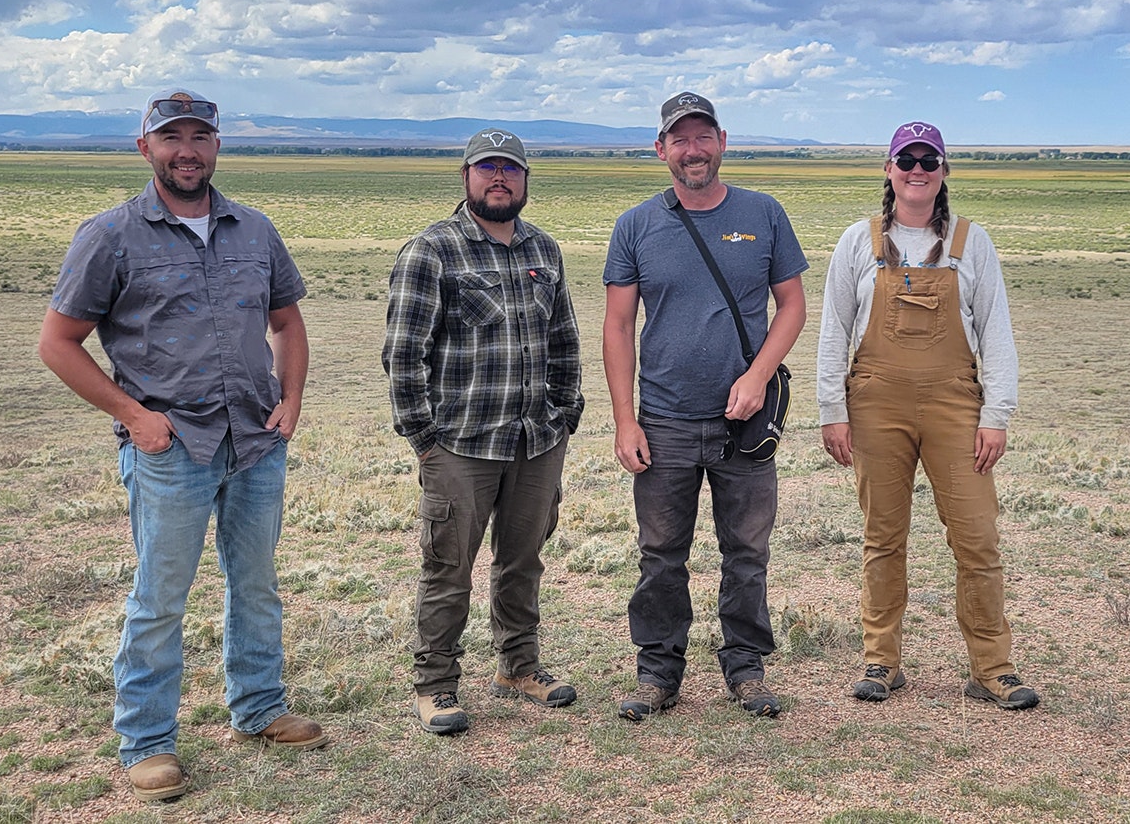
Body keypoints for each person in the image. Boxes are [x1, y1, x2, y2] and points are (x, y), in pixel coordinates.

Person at [38, 88, 326, 801]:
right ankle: (146, 741)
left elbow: (287, 324)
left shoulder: (254, 230)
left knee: (255, 584)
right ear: (146, 149)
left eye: (201, 136)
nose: (187, 150)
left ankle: (258, 708)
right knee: (160, 599)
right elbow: (58, 344)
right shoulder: (109, 235)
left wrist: (290, 400)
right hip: (171, 448)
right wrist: (134, 416)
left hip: (255, 441)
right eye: (172, 138)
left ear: (219, 146)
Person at [815, 121, 1039, 710]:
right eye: (906, 160)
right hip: (874, 404)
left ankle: (992, 667)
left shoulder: (974, 243)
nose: (918, 170)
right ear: (888, 171)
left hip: (955, 405)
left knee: (977, 538)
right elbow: (833, 331)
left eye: (929, 160)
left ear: (944, 173)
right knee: (883, 536)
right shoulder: (857, 242)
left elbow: (997, 332)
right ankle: (881, 661)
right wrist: (831, 410)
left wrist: (997, 414)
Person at [603, 92, 808, 721]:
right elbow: (617, 325)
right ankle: (658, 672)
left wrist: (758, 375)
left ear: (722, 141)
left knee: (746, 554)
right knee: (661, 554)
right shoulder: (636, 225)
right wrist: (625, 419)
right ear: (660, 149)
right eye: (679, 139)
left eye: (703, 137)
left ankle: (746, 669)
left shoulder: (764, 214)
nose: (693, 150)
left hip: (742, 425)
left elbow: (792, 305)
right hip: (663, 420)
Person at [383, 127, 585, 735]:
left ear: (526, 179)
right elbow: (402, 355)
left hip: (536, 440)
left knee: (523, 560)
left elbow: (563, 340)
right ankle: (436, 684)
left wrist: (565, 412)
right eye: (487, 168)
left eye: (511, 169)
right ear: (466, 177)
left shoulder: (543, 250)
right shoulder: (432, 252)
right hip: (461, 444)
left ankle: (518, 666)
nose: (500, 178)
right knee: (449, 567)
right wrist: (424, 438)